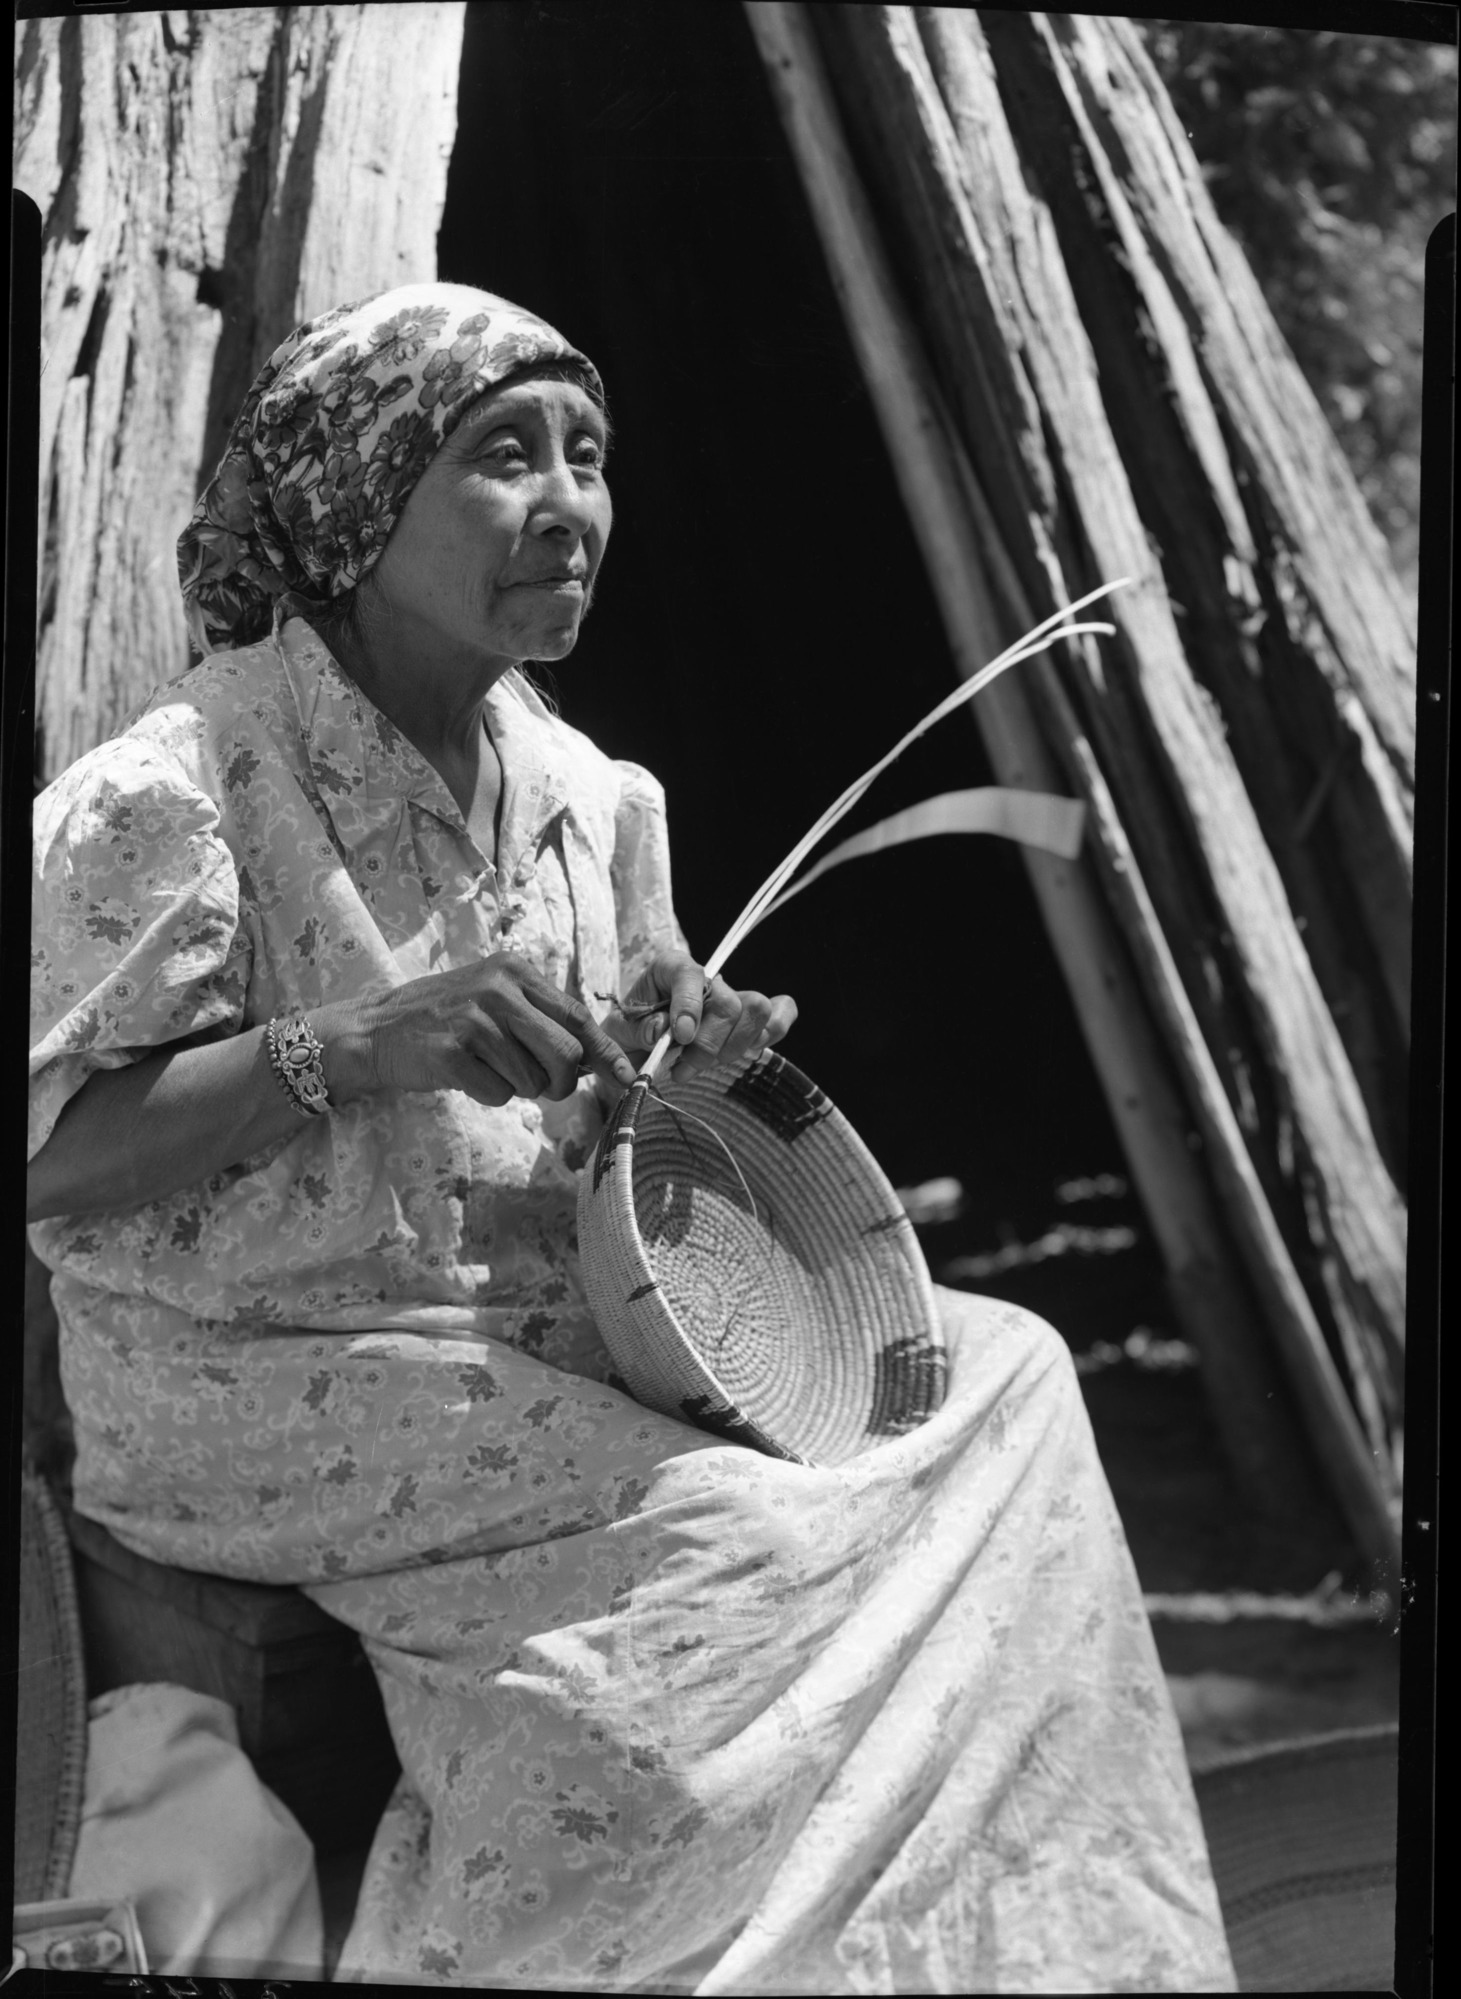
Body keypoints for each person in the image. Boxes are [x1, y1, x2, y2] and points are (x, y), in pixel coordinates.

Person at [27, 282, 1236, 1993]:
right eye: (500, 454)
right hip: (266, 1368)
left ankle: (1029, 1955)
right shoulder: (184, 788)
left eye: (588, 455)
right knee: (733, 1560)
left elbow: (571, 1125)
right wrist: (351, 1043)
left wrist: (671, 1074)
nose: (568, 503)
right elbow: (44, 1158)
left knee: (1007, 1373)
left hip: (541, 1329)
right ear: (359, 494)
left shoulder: (600, 801)